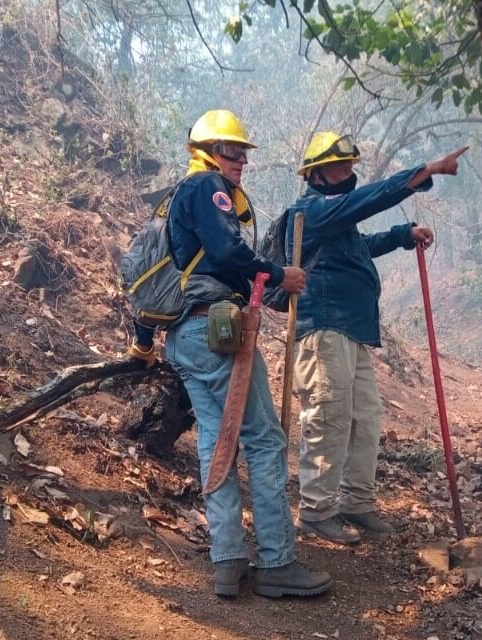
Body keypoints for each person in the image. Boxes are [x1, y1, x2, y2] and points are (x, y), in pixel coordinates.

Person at [165, 110, 332, 598]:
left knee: (216, 444)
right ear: (207, 152)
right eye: (230, 151)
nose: (239, 161)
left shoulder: (184, 195)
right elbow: (226, 253)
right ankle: (277, 562)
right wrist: (280, 274)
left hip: (188, 332)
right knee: (263, 440)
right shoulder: (207, 188)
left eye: (241, 153)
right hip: (218, 333)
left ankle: (228, 561)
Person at [287, 132, 467, 544]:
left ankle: (356, 501)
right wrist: (427, 171)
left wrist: (403, 235)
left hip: (352, 331)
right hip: (324, 330)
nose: (348, 172)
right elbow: (370, 199)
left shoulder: (338, 223)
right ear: (317, 175)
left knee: (364, 419)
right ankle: (316, 510)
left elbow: (360, 246)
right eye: (340, 166)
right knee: (328, 417)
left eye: (351, 165)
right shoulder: (311, 211)